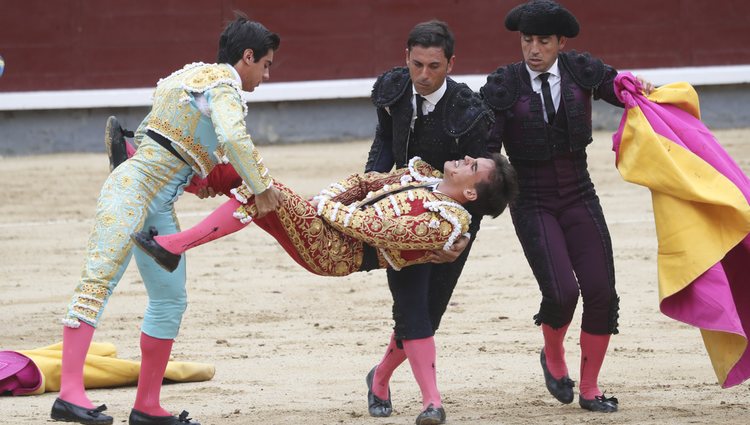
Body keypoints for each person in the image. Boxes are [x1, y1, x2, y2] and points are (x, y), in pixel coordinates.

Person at [52, 15, 282, 425]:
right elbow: (231, 137)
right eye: (266, 64)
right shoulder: (224, 86)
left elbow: (160, 142)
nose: (266, 74)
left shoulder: (187, 76)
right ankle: (69, 395)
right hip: (133, 189)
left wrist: (198, 178)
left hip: (153, 198)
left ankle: (147, 406)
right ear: (247, 57)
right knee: (97, 283)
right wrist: (261, 185)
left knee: (170, 297)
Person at [480, 0, 653, 413]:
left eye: (543, 41)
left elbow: (619, 89)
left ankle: (590, 388)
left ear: (560, 43)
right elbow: (485, 146)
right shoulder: (505, 85)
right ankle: (553, 355)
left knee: (601, 291)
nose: (533, 49)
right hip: (532, 200)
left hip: (579, 193)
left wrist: (638, 88)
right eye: (527, 40)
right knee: (561, 293)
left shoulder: (579, 71)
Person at [363, 20, 495, 424]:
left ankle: (380, 376)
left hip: (451, 224)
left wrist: (462, 235)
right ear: (406, 58)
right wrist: (371, 185)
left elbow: (484, 185)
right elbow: (385, 140)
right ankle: (431, 403)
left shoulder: (472, 113)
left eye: (433, 66)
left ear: (451, 63)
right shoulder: (395, 90)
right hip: (402, 219)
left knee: (429, 312)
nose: (423, 75)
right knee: (411, 309)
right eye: (416, 64)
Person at [130, 154, 518, 282]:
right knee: (240, 174)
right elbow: (365, 183)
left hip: (336, 252)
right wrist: (329, 197)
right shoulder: (425, 177)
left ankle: (174, 246)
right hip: (328, 226)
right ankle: (145, 166)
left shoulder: (443, 226)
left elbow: (373, 227)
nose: (466, 159)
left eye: (474, 166)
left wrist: (325, 208)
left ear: (470, 192)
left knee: (263, 189)